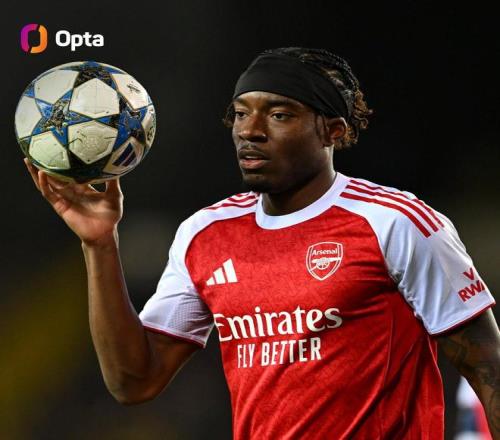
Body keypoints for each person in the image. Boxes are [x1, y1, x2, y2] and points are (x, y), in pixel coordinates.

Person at [25, 47, 499, 439]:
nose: (250, 130)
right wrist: (100, 244)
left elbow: (487, 367)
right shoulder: (205, 234)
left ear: (332, 130)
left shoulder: (395, 222)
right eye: (240, 114)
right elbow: (134, 382)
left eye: (278, 114)